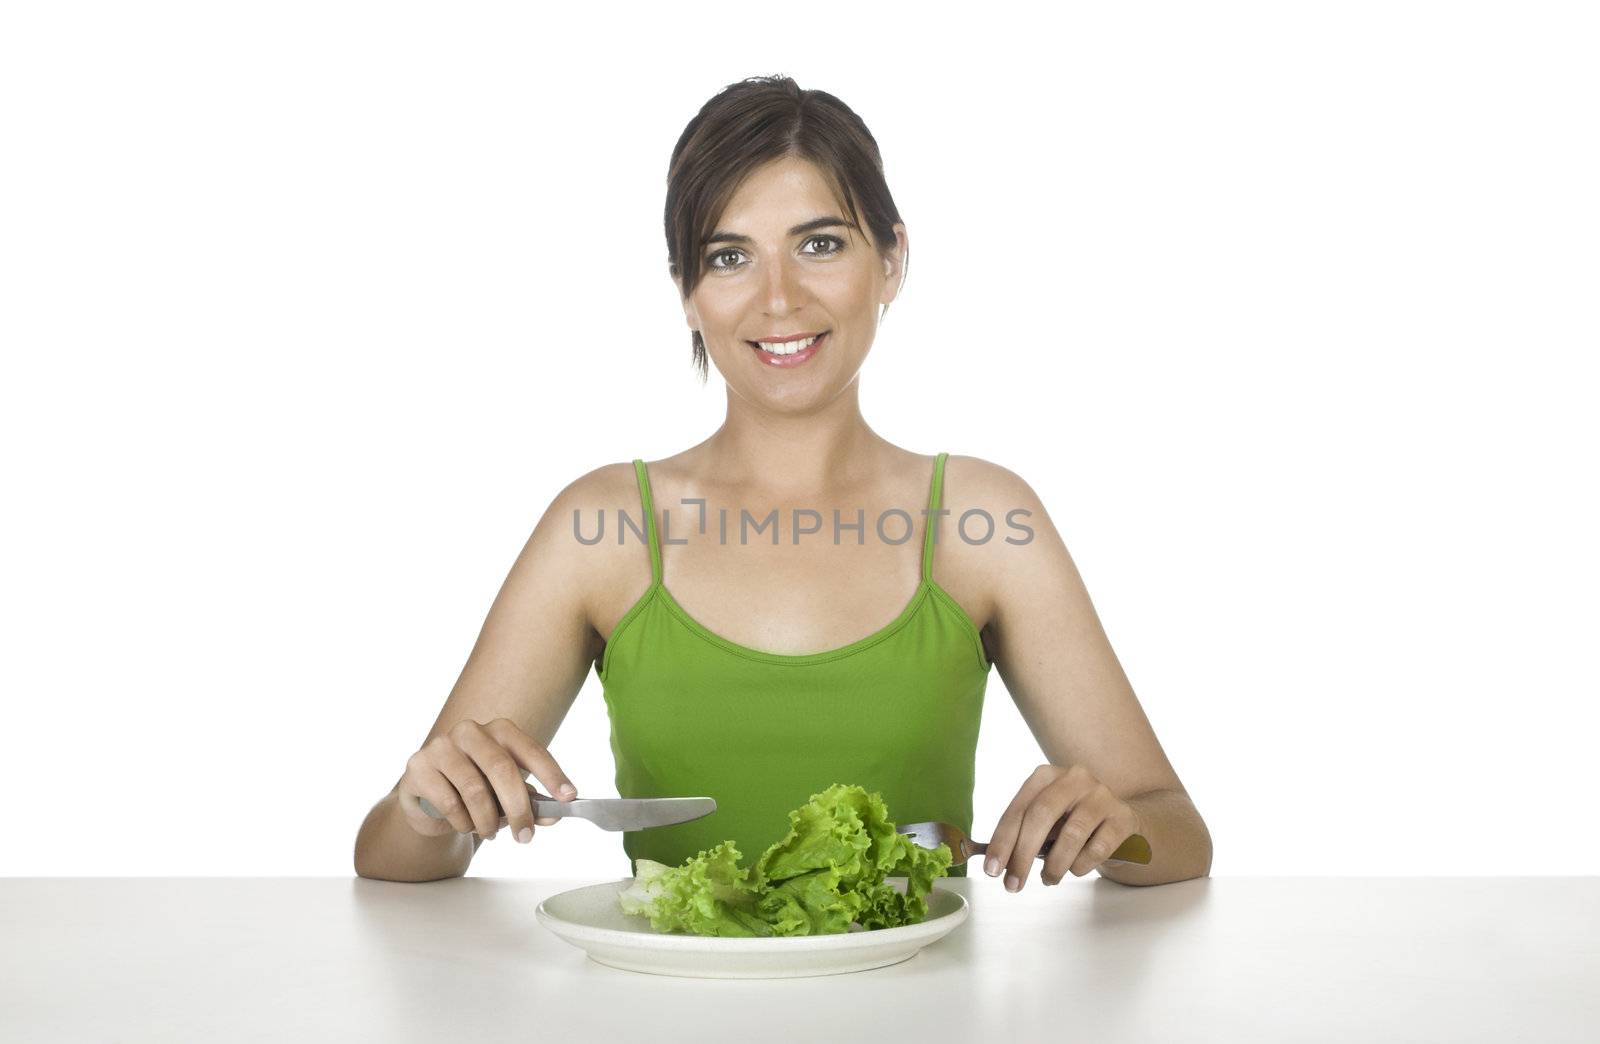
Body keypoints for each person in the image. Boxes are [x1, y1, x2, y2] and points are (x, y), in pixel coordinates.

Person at [354, 75, 1212, 890]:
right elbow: (392, 855)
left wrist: (1109, 827)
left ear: (892, 261)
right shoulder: (605, 526)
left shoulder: (984, 520)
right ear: (687, 295)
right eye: (729, 257)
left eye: (820, 244)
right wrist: (429, 806)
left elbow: (1174, 831)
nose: (777, 298)